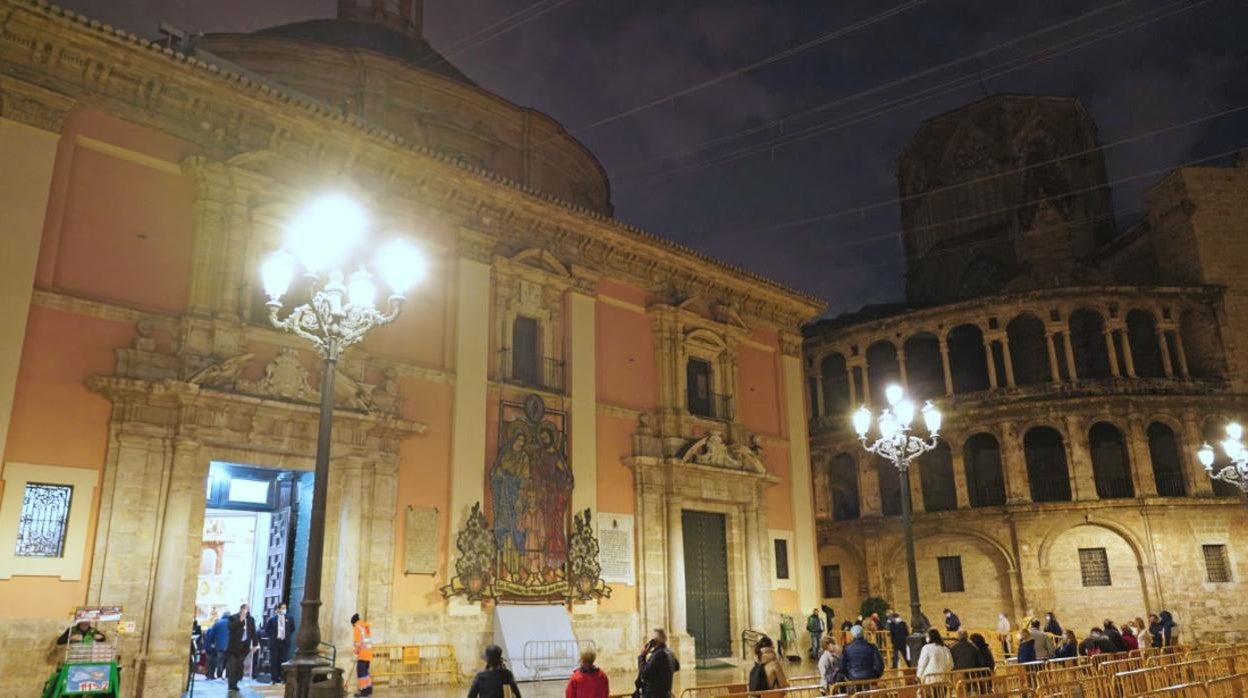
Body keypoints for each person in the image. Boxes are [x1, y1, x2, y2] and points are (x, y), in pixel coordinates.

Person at [636, 628, 678, 698]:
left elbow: (645, 673)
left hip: (654, 694)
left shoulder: (658, 655)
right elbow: (676, 666)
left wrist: (642, 656)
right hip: (665, 693)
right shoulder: (669, 653)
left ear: (654, 641)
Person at [226, 604, 258, 692]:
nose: (246, 611)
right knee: (232, 666)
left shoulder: (251, 620)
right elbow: (231, 627)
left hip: (244, 647)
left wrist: (255, 644)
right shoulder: (233, 617)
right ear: (240, 609)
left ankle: (236, 681)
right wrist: (240, 620)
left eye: (247, 609)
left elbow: (253, 633)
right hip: (233, 647)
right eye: (244, 609)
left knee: (239, 666)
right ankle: (232, 685)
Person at [262, 603, 295, 684]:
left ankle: (282, 678)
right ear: (278, 609)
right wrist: (273, 636)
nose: (284, 609)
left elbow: (292, 628)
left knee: (283, 660)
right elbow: (267, 630)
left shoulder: (289, 618)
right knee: (274, 660)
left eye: (285, 607)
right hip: (275, 643)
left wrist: (285, 635)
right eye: (282, 608)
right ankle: (274, 678)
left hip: (284, 642)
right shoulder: (272, 619)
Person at [352, 613, 374, 697]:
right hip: (368, 654)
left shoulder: (357, 628)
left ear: (353, 623)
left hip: (362, 654)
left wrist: (355, 654)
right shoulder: (365, 627)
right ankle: (368, 690)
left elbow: (358, 644)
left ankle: (363, 692)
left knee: (361, 674)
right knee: (366, 673)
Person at [207, 610, 230, 680]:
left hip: (219, 646)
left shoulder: (218, 623)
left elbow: (212, 634)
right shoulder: (232, 623)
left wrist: (211, 643)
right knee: (228, 661)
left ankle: (219, 675)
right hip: (230, 646)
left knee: (220, 660)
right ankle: (227, 676)